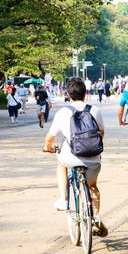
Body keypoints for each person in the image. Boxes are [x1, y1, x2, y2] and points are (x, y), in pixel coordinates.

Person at [43, 77, 108, 237]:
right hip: (93, 158)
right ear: (85, 93)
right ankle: (96, 217)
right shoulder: (95, 111)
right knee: (92, 186)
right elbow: (101, 133)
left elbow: (50, 137)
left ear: (68, 94)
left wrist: (48, 147)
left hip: (70, 157)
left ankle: (64, 199)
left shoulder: (63, 113)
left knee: (61, 164)